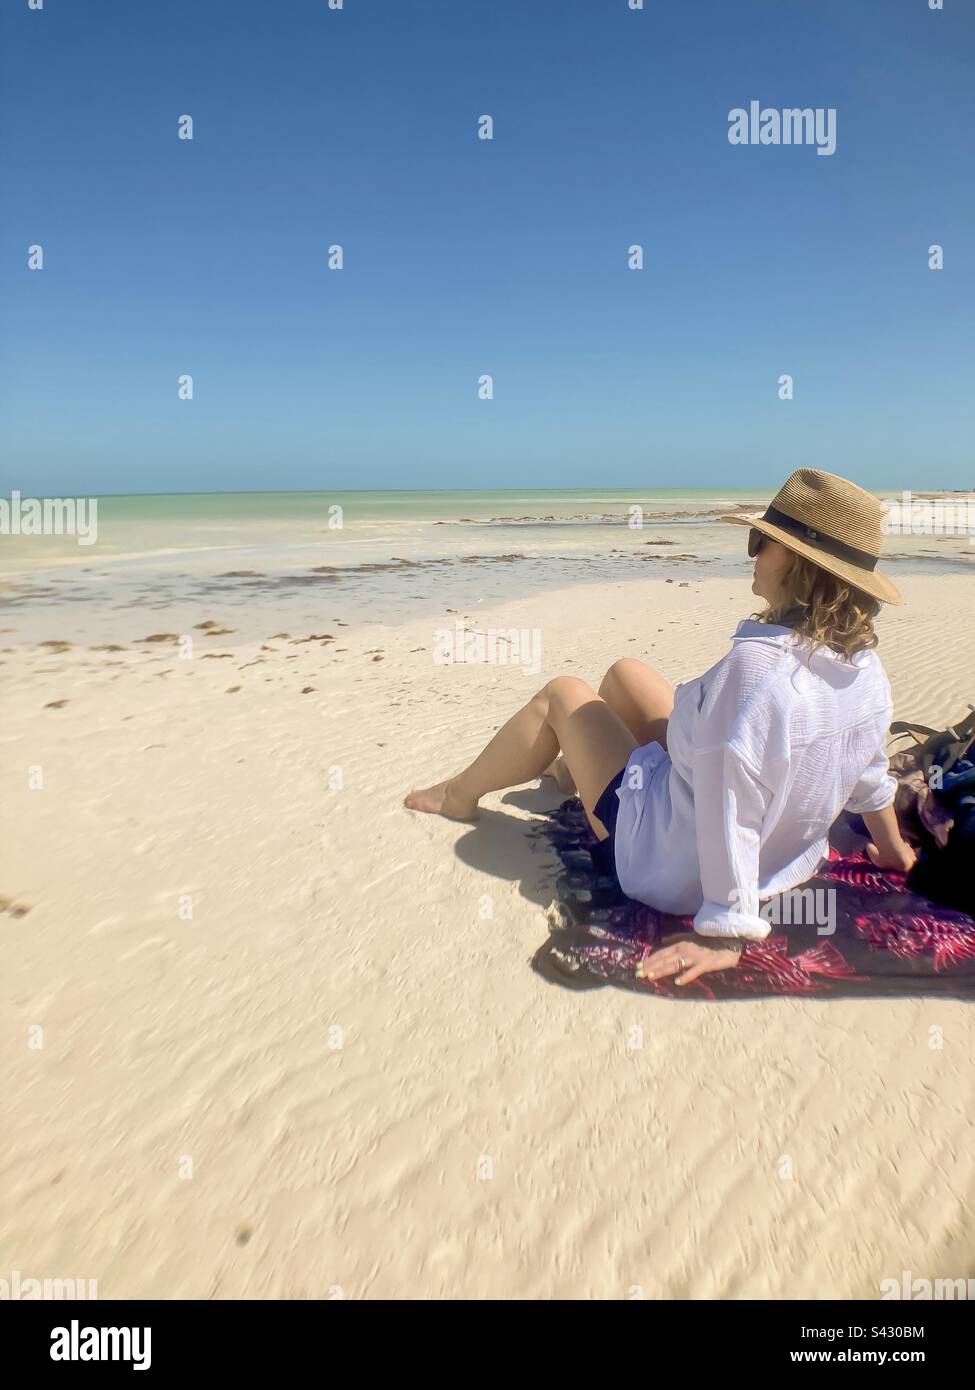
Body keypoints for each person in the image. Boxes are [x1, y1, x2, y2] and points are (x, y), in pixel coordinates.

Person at [405, 469, 917, 987]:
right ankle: (569, 774)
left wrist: (725, 928)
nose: (752, 554)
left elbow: (729, 804)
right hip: (781, 856)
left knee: (561, 695)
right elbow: (868, 770)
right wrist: (893, 852)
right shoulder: (864, 670)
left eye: (762, 542)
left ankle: (458, 795)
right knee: (626, 674)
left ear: (797, 564)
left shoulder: (757, 675)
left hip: (664, 862)